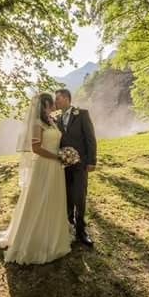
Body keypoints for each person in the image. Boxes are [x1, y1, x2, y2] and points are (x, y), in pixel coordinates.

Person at [0, 93, 73, 264]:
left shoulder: (52, 121)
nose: (53, 104)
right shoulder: (37, 123)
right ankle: (35, 238)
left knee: (53, 199)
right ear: (44, 105)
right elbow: (36, 149)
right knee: (39, 199)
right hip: (45, 165)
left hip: (56, 167)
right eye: (50, 102)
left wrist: (64, 155)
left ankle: (53, 234)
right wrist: (57, 156)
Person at [55, 89, 97, 247]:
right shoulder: (56, 119)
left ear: (66, 98)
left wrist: (92, 161)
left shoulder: (82, 114)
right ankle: (69, 226)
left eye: (57, 99)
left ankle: (81, 231)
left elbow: (90, 139)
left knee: (79, 196)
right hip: (63, 166)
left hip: (81, 164)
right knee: (67, 196)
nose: (56, 102)